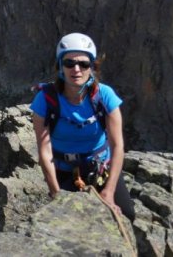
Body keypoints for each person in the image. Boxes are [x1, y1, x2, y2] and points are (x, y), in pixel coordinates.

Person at [30, 32, 135, 220]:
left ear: (92, 67)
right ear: (61, 67)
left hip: (100, 167)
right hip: (64, 171)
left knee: (126, 214)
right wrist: (56, 194)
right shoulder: (45, 99)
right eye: (69, 63)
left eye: (83, 64)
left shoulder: (105, 96)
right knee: (69, 223)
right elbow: (44, 152)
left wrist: (109, 192)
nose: (76, 69)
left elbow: (117, 145)